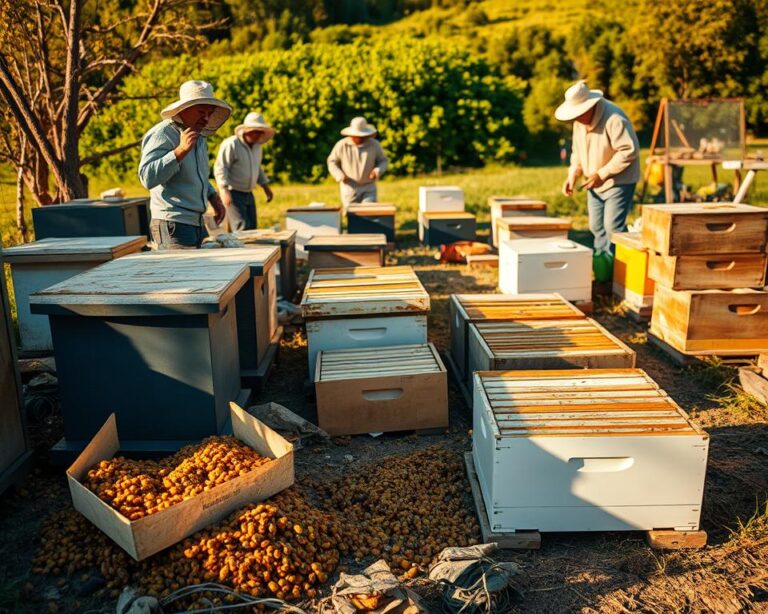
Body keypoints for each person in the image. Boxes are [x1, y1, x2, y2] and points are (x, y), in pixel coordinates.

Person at [138, 80, 231, 249]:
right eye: (201, 111)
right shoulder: (164, 133)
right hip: (172, 224)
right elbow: (147, 177)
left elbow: (199, 175)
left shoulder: (199, 136)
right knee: (178, 275)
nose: (206, 118)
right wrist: (180, 151)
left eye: (210, 113)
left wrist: (213, 197)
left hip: (197, 223)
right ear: (184, 109)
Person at [556, 80, 640, 254]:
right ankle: (603, 265)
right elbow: (577, 153)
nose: (576, 118)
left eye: (578, 113)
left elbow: (629, 151)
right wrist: (573, 175)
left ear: (589, 107)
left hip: (619, 181)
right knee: (596, 227)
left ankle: (620, 268)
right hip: (593, 183)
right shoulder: (579, 123)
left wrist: (602, 174)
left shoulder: (615, 118)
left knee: (612, 227)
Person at [214, 112, 275, 231]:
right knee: (241, 228)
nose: (258, 135)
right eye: (255, 131)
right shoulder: (231, 144)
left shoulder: (257, 147)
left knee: (252, 227)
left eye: (260, 132)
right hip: (233, 193)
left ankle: (252, 249)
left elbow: (257, 168)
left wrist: (266, 187)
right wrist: (224, 190)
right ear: (247, 130)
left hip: (248, 192)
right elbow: (221, 167)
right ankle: (240, 250)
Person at [327, 117, 388, 208]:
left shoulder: (375, 144)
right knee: (352, 215)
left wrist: (377, 171)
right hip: (349, 187)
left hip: (369, 187)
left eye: (362, 136)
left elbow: (383, 161)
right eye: (357, 136)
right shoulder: (342, 145)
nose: (359, 138)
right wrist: (339, 175)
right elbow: (332, 162)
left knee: (368, 212)